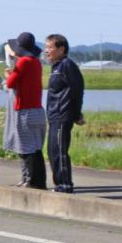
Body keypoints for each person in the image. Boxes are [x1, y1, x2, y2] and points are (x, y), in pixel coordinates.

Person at [0, 32, 46, 189]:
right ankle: (37, 182)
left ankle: (33, 182)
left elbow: (10, 83)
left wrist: (8, 74)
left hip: (25, 112)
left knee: (26, 150)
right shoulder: (36, 62)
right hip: (37, 111)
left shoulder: (23, 62)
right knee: (35, 150)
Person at [44, 33, 84, 193]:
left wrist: (76, 114)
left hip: (63, 115)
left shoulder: (68, 65)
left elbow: (77, 90)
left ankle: (65, 185)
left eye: (50, 47)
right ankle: (59, 184)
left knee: (59, 151)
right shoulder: (56, 66)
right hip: (54, 116)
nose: (46, 51)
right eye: (46, 47)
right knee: (52, 151)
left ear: (61, 49)